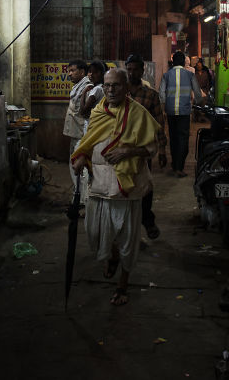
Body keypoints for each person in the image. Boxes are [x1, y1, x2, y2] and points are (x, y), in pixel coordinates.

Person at [71, 68, 160, 306]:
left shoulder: (138, 114)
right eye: (107, 86)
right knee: (96, 231)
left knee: (128, 238)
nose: (110, 90)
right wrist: (82, 156)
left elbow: (153, 147)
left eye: (116, 86)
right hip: (99, 184)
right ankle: (111, 257)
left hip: (127, 188)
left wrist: (128, 150)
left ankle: (123, 285)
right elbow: (90, 141)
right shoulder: (99, 111)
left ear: (126, 87)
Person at [123, 53, 167, 240]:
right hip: (121, 150)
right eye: (129, 69)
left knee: (145, 187)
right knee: (122, 188)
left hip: (142, 151)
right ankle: (127, 228)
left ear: (143, 70)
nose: (132, 73)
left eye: (135, 69)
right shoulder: (118, 93)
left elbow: (158, 124)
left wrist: (163, 150)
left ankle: (147, 220)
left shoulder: (150, 95)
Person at [159, 50, 204, 177]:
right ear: (184, 62)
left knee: (173, 138)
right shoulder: (190, 75)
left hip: (171, 112)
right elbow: (198, 95)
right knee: (183, 138)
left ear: (173, 62)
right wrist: (199, 104)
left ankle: (175, 165)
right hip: (185, 112)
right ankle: (180, 167)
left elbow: (161, 95)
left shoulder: (166, 75)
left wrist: (163, 109)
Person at [63, 59, 92, 203]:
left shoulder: (87, 87)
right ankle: (79, 196)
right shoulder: (78, 86)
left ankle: (84, 200)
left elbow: (87, 114)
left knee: (82, 169)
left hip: (82, 134)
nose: (69, 74)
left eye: (72, 71)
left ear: (82, 72)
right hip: (75, 133)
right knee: (74, 166)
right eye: (68, 71)